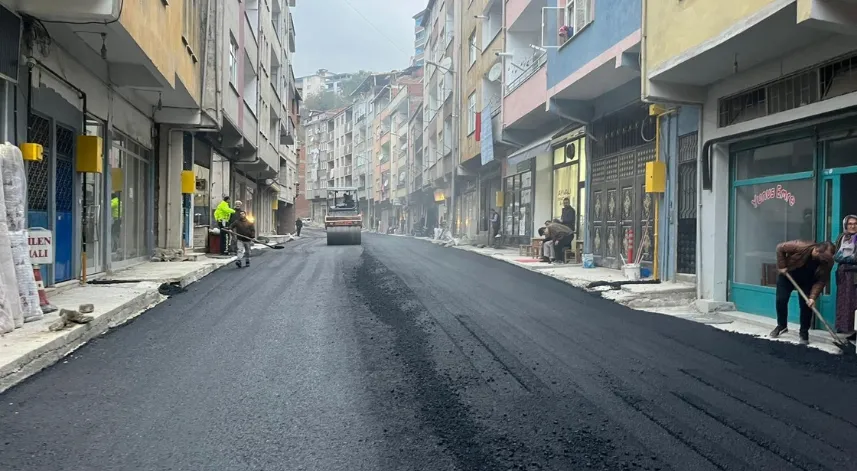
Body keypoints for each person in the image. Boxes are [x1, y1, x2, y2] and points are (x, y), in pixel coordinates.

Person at [770, 240, 836, 344]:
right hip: (788, 275)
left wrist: (812, 297)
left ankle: (804, 332)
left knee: (807, 306)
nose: (824, 261)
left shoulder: (827, 262)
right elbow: (780, 247)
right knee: (781, 300)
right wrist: (782, 266)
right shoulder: (800, 246)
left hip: (807, 281)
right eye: (823, 258)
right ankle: (782, 326)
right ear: (817, 250)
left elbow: (821, 280)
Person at [834, 215, 857, 335]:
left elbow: (855, 259)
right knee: (843, 301)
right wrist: (845, 258)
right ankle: (842, 327)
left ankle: (854, 331)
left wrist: (844, 258)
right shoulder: (842, 237)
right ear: (846, 225)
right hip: (843, 276)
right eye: (850, 224)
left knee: (854, 302)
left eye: (855, 223)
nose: (853, 226)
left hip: (854, 276)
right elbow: (835, 256)